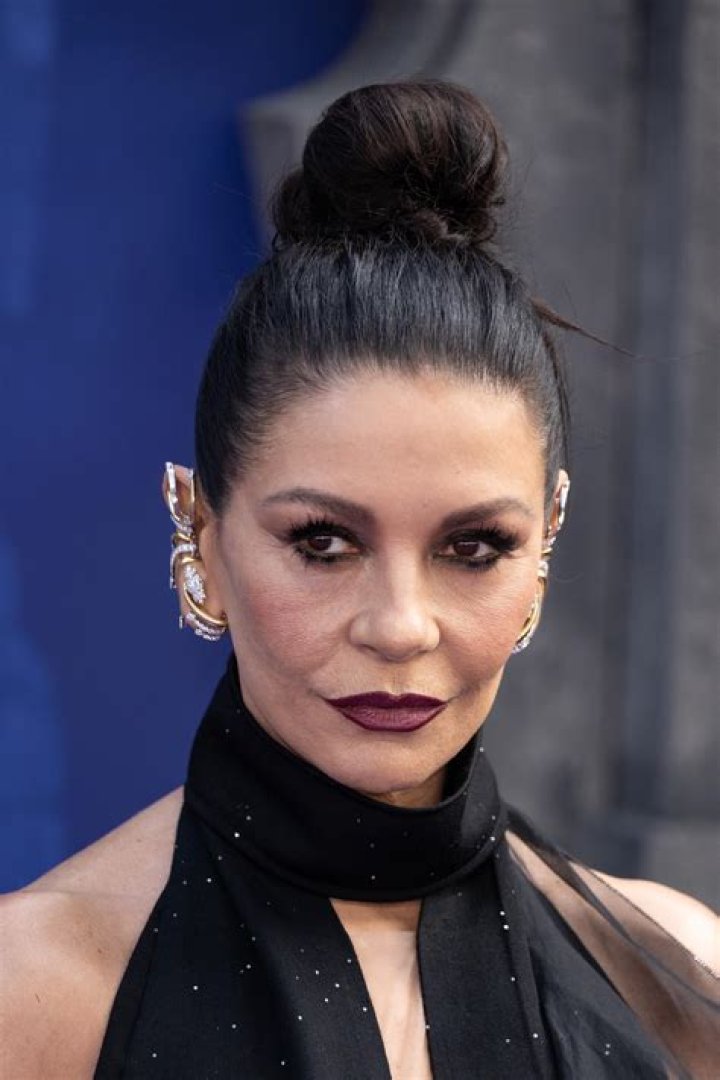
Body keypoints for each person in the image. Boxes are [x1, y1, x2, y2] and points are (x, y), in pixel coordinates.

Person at [1, 80, 717, 1080]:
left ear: (546, 543)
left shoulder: (675, 979)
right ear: (201, 531)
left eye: (474, 549)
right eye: (324, 543)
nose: (400, 626)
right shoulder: (33, 991)